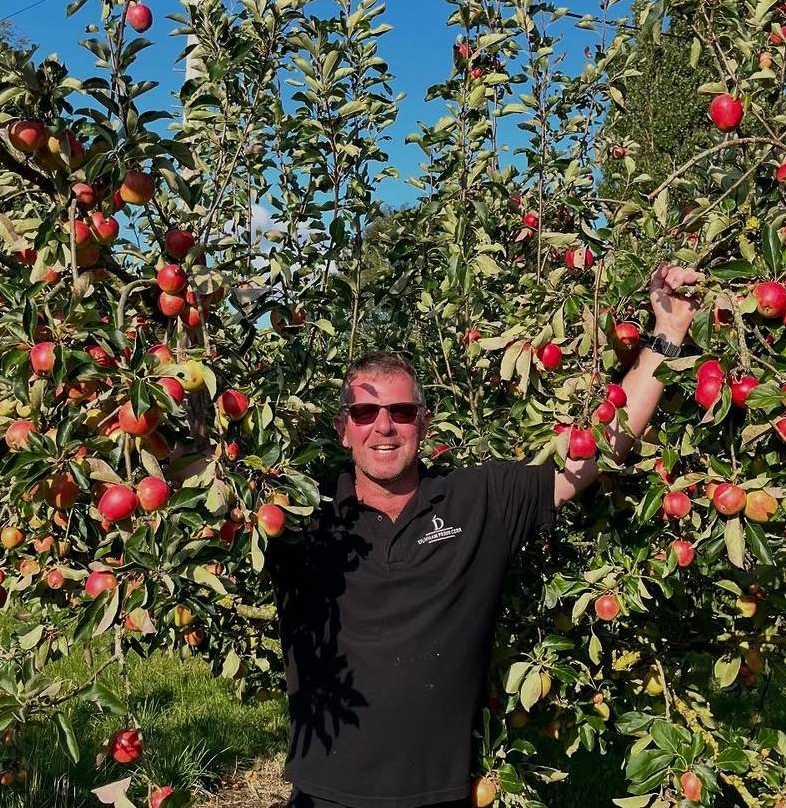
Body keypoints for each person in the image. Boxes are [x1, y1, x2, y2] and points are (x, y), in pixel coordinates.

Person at [267, 264, 705, 808]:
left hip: (442, 796)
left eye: (401, 411)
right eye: (365, 412)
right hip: (324, 795)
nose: (383, 426)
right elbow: (196, 473)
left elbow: (596, 450)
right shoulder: (300, 519)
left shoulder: (479, 501)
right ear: (343, 429)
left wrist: (669, 331)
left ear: (424, 423)